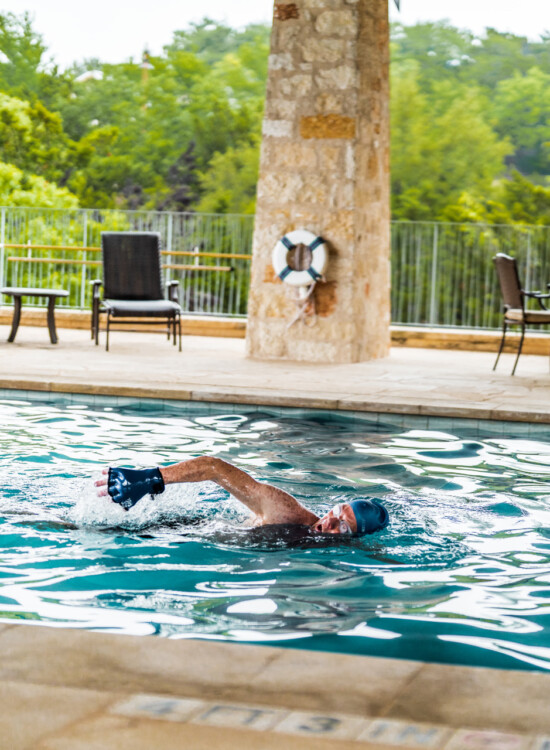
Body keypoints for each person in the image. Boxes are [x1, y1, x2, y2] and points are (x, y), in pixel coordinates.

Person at [95, 456, 389, 537]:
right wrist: (149, 479)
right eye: (336, 512)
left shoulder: (348, 552)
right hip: (182, 530)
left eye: (343, 527)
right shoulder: (285, 510)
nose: (329, 523)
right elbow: (214, 467)